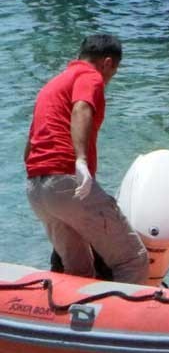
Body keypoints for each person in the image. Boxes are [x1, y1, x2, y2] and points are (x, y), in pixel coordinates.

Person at [22, 33, 147, 284]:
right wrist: (80, 159)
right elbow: (81, 108)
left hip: (36, 187)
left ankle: (74, 318)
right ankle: (122, 321)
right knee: (132, 259)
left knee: (78, 271)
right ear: (108, 63)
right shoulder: (90, 76)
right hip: (65, 181)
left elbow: (31, 141)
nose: (110, 78)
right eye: (114, 71)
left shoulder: (53, 84)